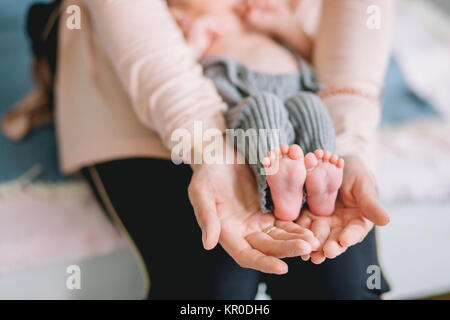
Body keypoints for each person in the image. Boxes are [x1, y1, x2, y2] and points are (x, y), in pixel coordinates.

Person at [55, 0, 392, 299]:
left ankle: (309, 180)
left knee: (345, 289)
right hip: (158, 76)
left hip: (303, 92)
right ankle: (277, 186)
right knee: (212, 290)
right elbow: (153, 50)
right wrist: (208, 147)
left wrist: (346, 140)